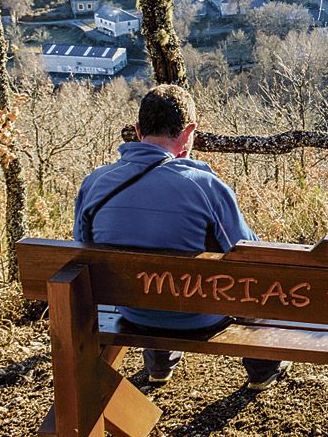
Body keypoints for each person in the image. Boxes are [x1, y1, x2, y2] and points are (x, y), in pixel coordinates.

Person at [73, 84, 289, 389]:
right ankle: (262, 370)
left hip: (133, 310)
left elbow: (81, 252)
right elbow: (248, 255)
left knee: (149, 279)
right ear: (189, 133)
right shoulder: (205, 185)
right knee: (257, 286)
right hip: (199, 317)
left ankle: (160, 362)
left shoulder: (95, 183)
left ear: (137, 130)